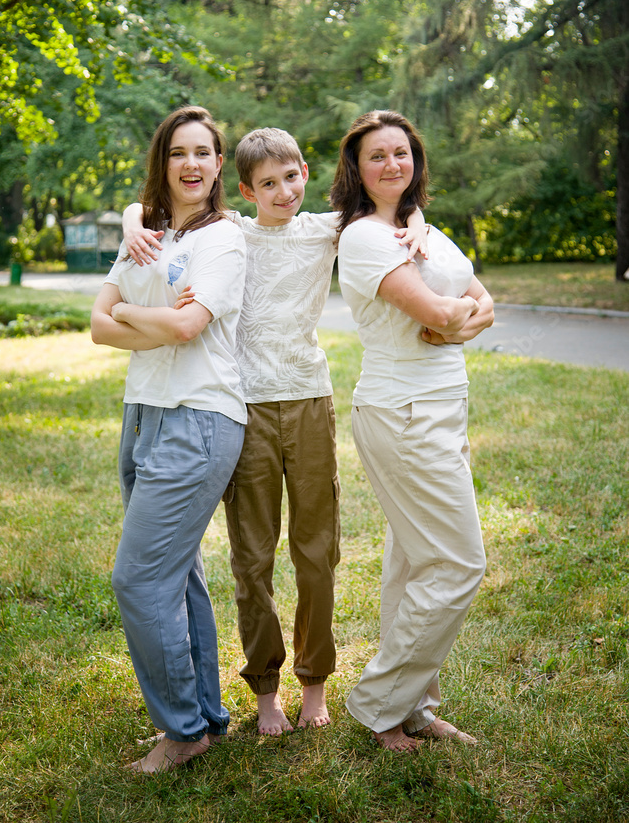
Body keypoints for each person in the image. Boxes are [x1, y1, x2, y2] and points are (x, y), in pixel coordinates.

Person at [122, 126, 428, 736]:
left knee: (317, 552)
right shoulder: (228, 233)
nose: (283, 192)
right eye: (267, 184)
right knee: (252, 557)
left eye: (291, 178)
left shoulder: (328, 229)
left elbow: (390, 208)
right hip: (247, 408)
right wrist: (133, 216)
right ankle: (265, 690)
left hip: (311, 401)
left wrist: (415, 222)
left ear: (306, 174)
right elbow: (161, 209)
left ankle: (315, 682)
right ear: (245, 189)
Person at [329, 109, 494, 752]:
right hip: (404, 413)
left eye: (402, 153)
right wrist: (455, 318)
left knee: (412, 562)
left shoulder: (423, 230)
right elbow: (437, 310)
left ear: (416, 161)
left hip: (442, 408)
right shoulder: (366, 238)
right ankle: (378, 704)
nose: (393, 164)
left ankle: (413, 705)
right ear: (356, 169)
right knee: (457, 563)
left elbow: (484, 304)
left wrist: (460, 319)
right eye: (377, 156)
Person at [90, 106, 247, 773]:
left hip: (199, 415)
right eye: (178, 152)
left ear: (218, 165)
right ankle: (204, 717)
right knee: (176, 576)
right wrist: (136, 312)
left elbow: (188, 328)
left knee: (138, 579)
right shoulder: (148, 233)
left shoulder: (223, 240)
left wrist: (127, 311)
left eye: (203, 153)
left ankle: (181, 731)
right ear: (165, 162)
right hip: (144, 413)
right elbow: (95, 327)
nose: (191, 164)